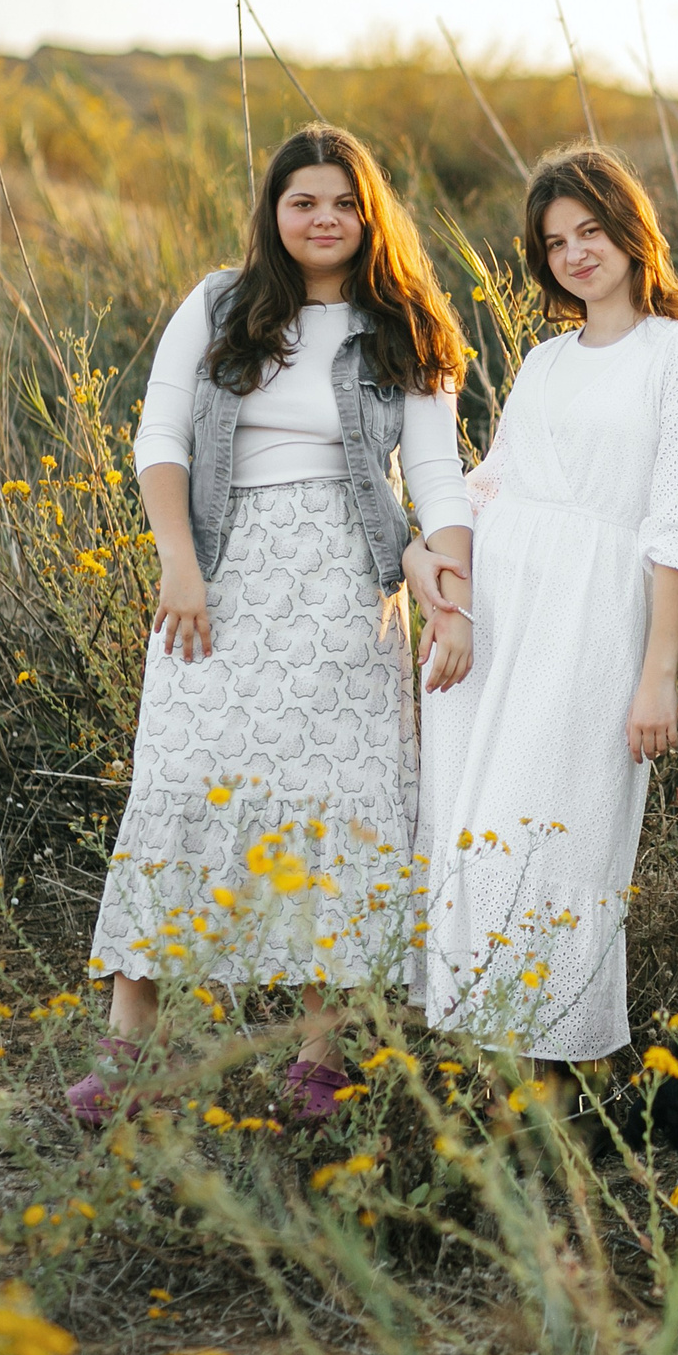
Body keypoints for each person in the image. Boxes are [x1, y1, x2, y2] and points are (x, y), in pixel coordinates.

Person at [70, 123, 474, 1127]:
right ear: (275, 211)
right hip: (217, 575)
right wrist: (179, 559)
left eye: (345, 202)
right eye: (305, 201)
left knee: (329, 808)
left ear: (368, 213)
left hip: (345, 591)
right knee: (180, 783)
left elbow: (433, 473)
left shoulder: (407, 324)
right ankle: (125, 1051)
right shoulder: (217, 304)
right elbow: (159, 433)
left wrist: (448, 588)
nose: (326, 218)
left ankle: (317, 1059)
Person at [406, 147, 678, 1063]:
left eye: (592, 230)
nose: (577, 253)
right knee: (476, 833)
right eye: (555, 242)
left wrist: (659, 670)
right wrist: (427, 558)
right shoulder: (543, 360)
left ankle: (554, 1084)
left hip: (594, 619)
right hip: (498, 614)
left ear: (632, 232)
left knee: (561, 843)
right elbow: (494, 481)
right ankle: (493, 1086)